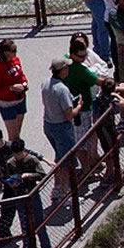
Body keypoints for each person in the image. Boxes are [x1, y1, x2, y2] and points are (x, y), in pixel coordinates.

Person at [1, 139, 52, 248]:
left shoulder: (32, 160)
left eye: (19, 154)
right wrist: (12, 183)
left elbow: (42, 175)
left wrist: (28, 176)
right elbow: (7, 178)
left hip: (32, 195)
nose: (17, 156)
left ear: (24, 151)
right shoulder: (10, 163)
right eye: (15, 154)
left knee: (39, 223)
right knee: (25, 226)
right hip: (20, 197)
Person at [41, 57, 81, 199]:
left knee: (59, 156)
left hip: (48, 125)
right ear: (62, 70)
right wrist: (79, 106)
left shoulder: (45, 83)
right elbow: (69, 115)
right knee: (66, 162)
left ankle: (57, 188)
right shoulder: (62, 90)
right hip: (62, 128)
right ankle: (65, 192)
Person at [64, 38, 103, 181]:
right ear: (73, 54)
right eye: (81, 56)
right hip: (83, 110)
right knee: (83, 143)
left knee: (81, 140)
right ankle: (87, 172)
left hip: (76, 108)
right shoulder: (80, 70)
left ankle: (88, 167)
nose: (84, 58)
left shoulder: (66, 62)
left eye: (85, 55)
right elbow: (99, 81)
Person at [91, 75, 124, 190]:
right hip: (107, 129)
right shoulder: (110, 98)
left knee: (109, 150)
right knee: (111, 152)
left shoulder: (98, 97)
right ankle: (109, 177)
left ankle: (111, 173)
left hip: (100, 129)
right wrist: (116, 94)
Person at [0, 38, 29, 141]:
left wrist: (24, 83)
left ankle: (17, 153)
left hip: (20, 99)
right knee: (14, 137)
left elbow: (21, 74)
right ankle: (13, 155)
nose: (15, 53)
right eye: (13, 51)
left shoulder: (16, 60)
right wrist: (11, 88)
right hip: (8, 104)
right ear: (6, 53)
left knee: (17, 134)